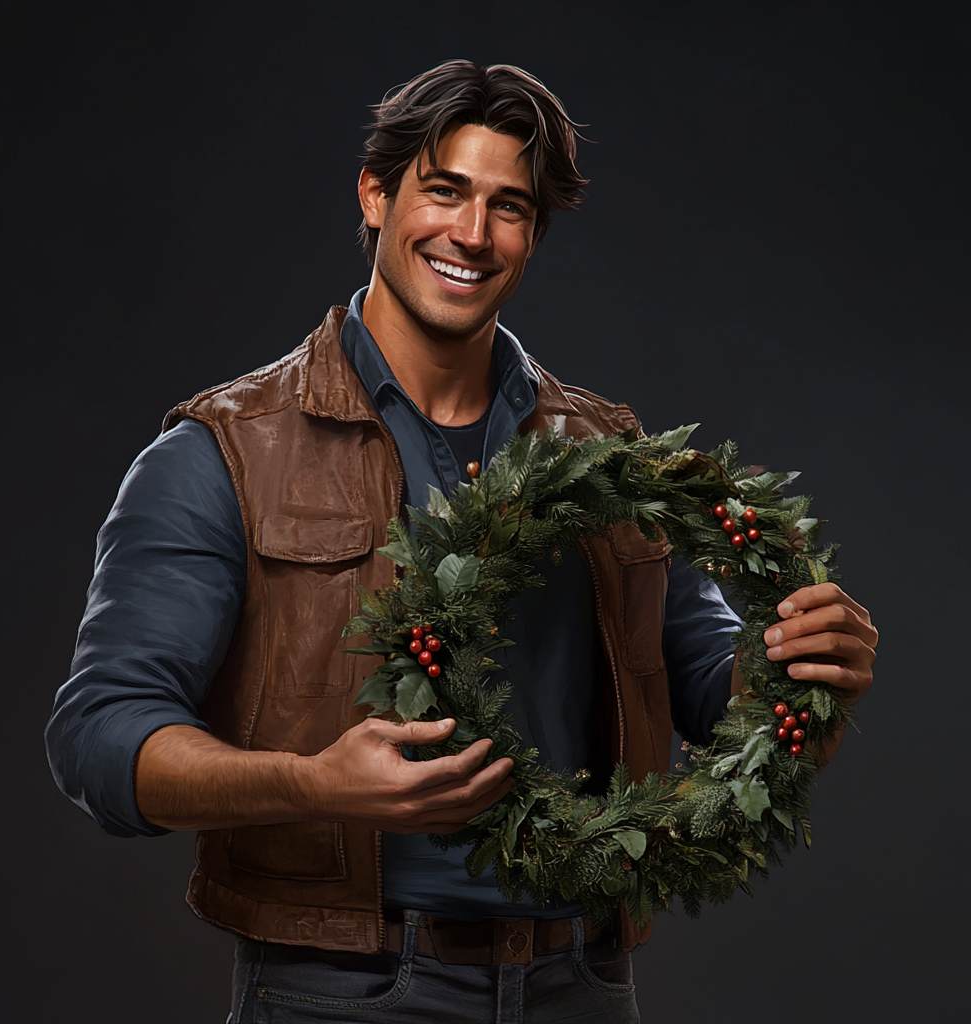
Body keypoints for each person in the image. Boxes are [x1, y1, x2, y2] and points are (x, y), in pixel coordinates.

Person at [45, 61, 877, 1023]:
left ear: (534, 233)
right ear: (375, 193)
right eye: (445, 190)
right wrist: (315, 785)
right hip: (341, 991)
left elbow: (713, 693)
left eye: (509, 206)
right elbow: (98, 740)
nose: (472, 235)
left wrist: (805, 674)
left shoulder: (613, 459)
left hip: (581, 982)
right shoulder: (222, 453)